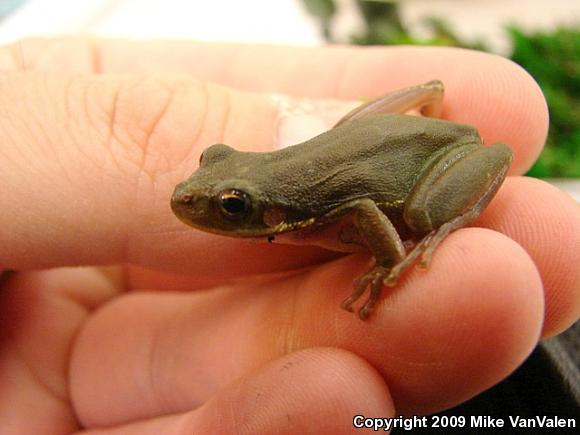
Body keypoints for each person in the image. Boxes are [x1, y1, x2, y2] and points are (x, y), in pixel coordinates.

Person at [0, 38, 578, 434]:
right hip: (387, 147)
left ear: (272, 217)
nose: (195, 199)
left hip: (430, 162)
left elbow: (358, 204)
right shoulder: (294, 213)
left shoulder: (310, 212)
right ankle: (424, 97)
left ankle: (439, 208)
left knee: (425, 218)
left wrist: (387, 260)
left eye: (231, 206)